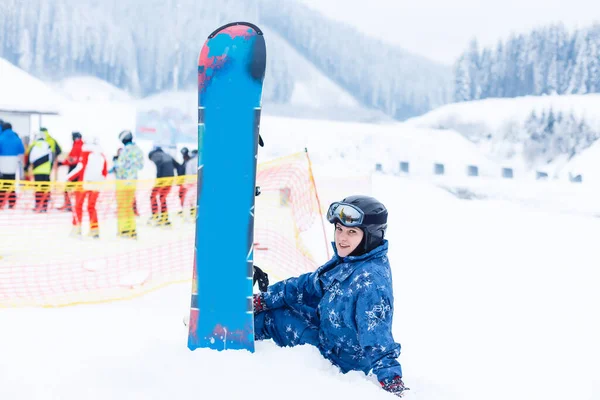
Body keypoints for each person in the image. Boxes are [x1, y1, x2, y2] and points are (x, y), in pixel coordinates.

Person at [252, 195, 408, 397]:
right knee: (279, 305)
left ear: (371, 236)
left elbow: (377, 336)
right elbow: (308, 286)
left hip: (338, 358)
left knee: (270, 319)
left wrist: (391, 380)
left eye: (352, 232)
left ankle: (230, 344)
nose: (342, 238)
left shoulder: (370, 283)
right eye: (339, 229)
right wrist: (265, 298)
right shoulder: (350, 261)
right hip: (330, 328)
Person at [66, 137, 108, 238]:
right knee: (91, 206)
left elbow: (80, 167)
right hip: (97, 184)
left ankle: (77, 228)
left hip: (84, 183)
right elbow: (105, 171)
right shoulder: (101, 155)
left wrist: (68, 178)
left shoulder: (86, 152)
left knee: (78, 206)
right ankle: (94, 230)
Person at [113, 130, 144, 239]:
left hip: (122, 181)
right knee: (129, 206)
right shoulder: (138, 150)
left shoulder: (125, 151)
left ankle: (123, 230)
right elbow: (140, 166)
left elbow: (121, 166)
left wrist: (114, 165)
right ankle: (132, 229)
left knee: (122, 206)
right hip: (133, 181)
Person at [148, 145, 178, 226]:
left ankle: (155, 215)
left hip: (162, 180)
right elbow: (178, 166)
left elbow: (159, 167)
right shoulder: (168, 155)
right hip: (170, 180)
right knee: (162, 197)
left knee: (153, 196)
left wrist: (158, 180)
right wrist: (180, 178)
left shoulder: (156, 155)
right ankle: (164, 217)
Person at [25, 131, 53, 212]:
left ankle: (38, 205)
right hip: (46, 171)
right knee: (46, 189)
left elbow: (30, 158)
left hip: (37, 171)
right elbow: (51, 159)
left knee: (38, 189)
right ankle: (45, 206)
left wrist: (27, 168)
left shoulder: (34, 145)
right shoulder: (48, 145)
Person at [0, 122, 25, 209]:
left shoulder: (1, 138)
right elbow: (22, 152)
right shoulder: (17, 139)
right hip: (13, 164)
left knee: (2, 185)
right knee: (11, 184)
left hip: (2, 164)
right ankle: (12, 203)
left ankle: (1, 203)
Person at [57, 131, 84, 211]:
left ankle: (68, 205)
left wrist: (62, 163)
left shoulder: (77, 146)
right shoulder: (81, 145)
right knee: (77, 189)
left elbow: (72, 159)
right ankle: (75, 205)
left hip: (74, 170)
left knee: (67, 188)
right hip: (79, 171)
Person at [177, 147, 191, 216]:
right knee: (182, 196)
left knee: (189, 198)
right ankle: (183, 210)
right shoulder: (185, 161)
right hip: (182, 183)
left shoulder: (189, 161)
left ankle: (191, 211)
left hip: (187, 183)